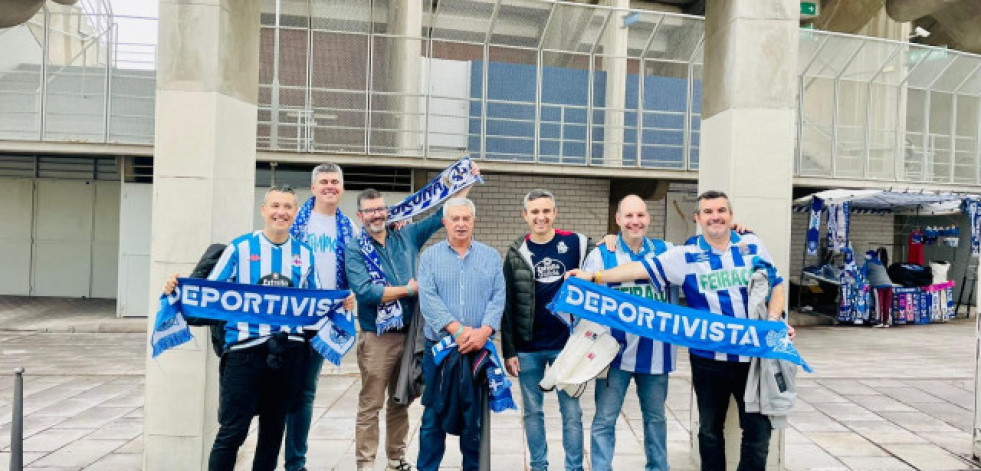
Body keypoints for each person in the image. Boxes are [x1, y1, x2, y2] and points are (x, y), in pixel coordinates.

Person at [570, 190, 795, 471]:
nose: (716, 217)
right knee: (708, 431)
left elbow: (775, 282)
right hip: (696, 358)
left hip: (750, 356)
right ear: (697, 218)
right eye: (709, 212)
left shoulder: (748, 244)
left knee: (758, 430)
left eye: (721, 211)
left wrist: (775, 320)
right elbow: (638, 269)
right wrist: (596, 274)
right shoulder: (684, 253)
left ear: (731, 216)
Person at [162, 185, 318, 471]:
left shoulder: (305, 254)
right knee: (232, 432)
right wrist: (179, 287)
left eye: (287, 207)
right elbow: (210, 291)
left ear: (295, 213)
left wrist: (341, 304)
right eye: (275, 206)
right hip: (244, 354)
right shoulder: (240, 248)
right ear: (263, 210)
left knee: (273, 433)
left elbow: (315, 302)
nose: (280, 212)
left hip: (287, 353)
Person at [345, 180, 476, 471]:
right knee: (371, 404)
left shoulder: (405, 236)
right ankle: (365, 464)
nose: (377, 215)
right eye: (370, 211)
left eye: (380, 209)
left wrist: (464, 185)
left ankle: (395, 458)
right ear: (360, 216)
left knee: (400, 400)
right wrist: (408, 289)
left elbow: (440, 215)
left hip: (410, 333)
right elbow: (366, 291)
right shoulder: (354, 249)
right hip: (378, 337)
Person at [501, 188, 592, 471]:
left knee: (572, 413)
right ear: (525, 216)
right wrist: (509, 350)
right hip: (528, 348)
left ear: (555, 213)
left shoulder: (577, 243)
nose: (541, 217)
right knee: (533, 413)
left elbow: (609, 254)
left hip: (568, 345)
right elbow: (508, 304)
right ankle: (539, 466)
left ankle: (574, 467)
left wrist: (611, 238)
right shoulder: (517, 253)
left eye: (546, 211)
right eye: (535, 212)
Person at [585, 195, 676, 471]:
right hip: (613, 356)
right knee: (604, 420)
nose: (635, 222)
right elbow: (585, 299)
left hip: (656, 355)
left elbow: (703, 251)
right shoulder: (601, 254)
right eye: (628, 216)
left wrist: (741, 231)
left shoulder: (667, 251)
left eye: (640, 216)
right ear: (618, 219)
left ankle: (658, 467)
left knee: (656, 419)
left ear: (648, 218)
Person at [415, 197, 505, 471]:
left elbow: (498, 297)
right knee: (433, 417)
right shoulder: (430, 257)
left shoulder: (490, 256)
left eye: (466, 218)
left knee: (474, 420)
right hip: (440, 350)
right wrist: (459, 331)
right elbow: (428, 299)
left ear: (473, 221)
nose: (461, 223)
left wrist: (484, 331)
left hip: (478, 350)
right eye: (455, 219)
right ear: (445, 223)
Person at [284, 163, 357, 471]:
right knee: (279, 391)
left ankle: (295, 463)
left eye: (335, 182)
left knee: (304, 393)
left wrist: (353, 292)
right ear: (312, 188)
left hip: (323, 325)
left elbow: (357, 269)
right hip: (288, 320)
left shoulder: (350, 227)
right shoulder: (293, 223)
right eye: (324, 181)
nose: (330, 186)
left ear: (341, 188)